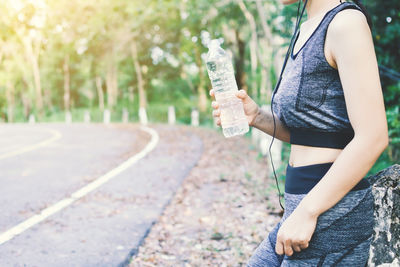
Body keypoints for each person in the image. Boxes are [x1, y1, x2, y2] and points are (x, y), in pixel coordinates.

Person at [209, 0, 388, 266]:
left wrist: (308, 212)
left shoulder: (346, 23)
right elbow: (313, 134)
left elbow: (373, 137)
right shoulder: (306, 27)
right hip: (300, 205)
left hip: (333, 213)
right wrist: (257, 117)